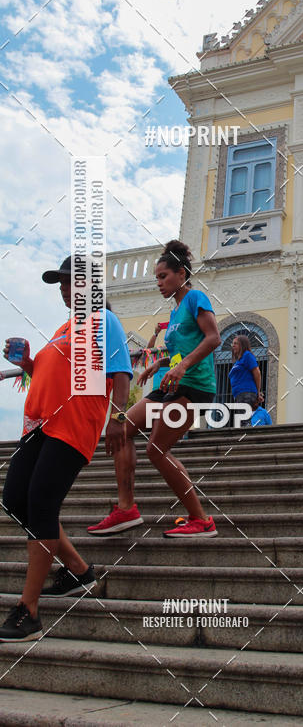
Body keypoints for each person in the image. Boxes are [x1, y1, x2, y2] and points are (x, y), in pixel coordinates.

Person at [0, 256, 132, 642]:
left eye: (70, 281)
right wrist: (27, 362)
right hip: (39, 426)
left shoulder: (104, 321)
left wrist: (118, 418)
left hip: (73, 426)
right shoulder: (64, 329)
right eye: (60, 283)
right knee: (15, 500)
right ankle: (78, 571)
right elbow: (45, 374)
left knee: (41, 503)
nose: (63, 289)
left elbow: (121, 371)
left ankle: (29, 611)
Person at [87, 240, 221, 538]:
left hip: (195, 387)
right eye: (156, 278)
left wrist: (182, 367)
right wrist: (159, 363)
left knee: (156, 450)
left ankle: (201, 520)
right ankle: (126, 509)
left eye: (164, 276)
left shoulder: (195, 298)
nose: (159, 283)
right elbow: (179, 350)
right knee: (122, 429)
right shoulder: (174, 314)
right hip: (172, 384)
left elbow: (213, 338)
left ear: (182, 273)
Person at [229, 334, 263, 407]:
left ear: (242, 345)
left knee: (244, 415)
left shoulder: (247, 355)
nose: (233, 346)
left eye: (236, 343)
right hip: (239, 395)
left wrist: (258, 392)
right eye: (232, 344)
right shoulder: (238, 361)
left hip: (246, 394)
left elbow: (257, 373)